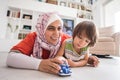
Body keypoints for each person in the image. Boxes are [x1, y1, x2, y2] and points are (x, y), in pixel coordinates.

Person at [6, 12, 99, 75]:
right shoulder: (34, 37)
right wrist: (39, 64)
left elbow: (78, 48)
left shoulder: (64, 38)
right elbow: (11, 58)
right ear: (42, 28)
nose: (56, 33)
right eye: (50, 28)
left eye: (59, 28)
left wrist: (87, 58)